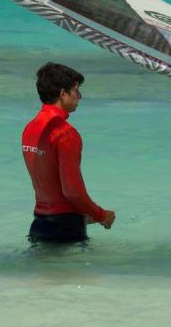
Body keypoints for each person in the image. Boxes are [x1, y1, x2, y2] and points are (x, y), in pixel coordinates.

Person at [22, 62, 115, 243]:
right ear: (63, 94)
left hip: (39, 224)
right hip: (65, 229)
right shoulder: (65, 134)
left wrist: (86, 215)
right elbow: (72, 192)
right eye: (76, 90)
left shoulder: (30, 128)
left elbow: (49, 186)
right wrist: (101, 214)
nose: (79, 96)